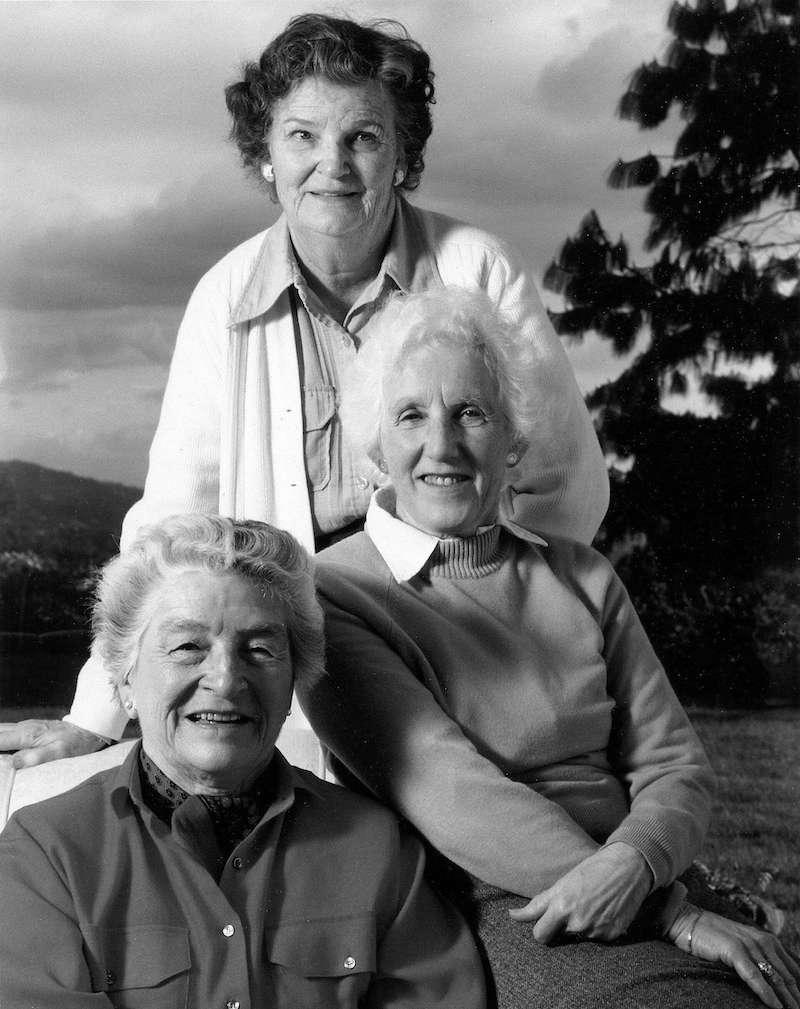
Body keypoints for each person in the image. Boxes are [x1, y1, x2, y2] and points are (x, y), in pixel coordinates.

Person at [0, 12, 608, 768]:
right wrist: (95, 713)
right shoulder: (223, 299)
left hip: (471, 666)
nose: (334, 165)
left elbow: (567, 489)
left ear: (402, 153)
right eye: (302, 137)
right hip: (289, 681)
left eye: (363, 136)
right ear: (265, 155)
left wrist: (484, 629)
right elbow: (170, 528)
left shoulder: (479, 269)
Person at [297, 288, 800, 1009]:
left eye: (471, 412)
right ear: (378, 446)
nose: (441, 444)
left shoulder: (583, 574)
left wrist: (638, 863)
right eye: (412, 415)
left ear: (514, 444)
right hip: (497, 900)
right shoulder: (338, 593)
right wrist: (674, 912)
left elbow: (676, 764)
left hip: (637, 873)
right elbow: (455, 798)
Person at [0, 514, 486, 1009]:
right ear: (125, 681)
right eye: (188, 647)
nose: (227, 679)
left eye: (260, 649)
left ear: (296, 677)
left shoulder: (380, 846)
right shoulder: (45, 852)